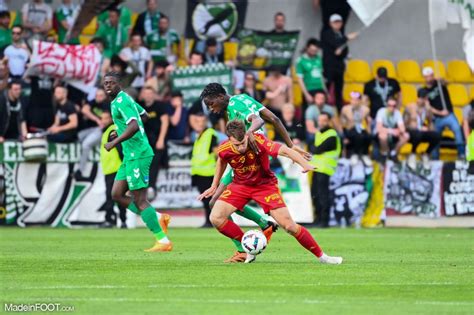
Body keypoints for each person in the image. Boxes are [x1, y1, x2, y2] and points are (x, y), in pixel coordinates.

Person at [198, 119, 343, 264]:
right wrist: (214, 185)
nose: (241, 147)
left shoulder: (258, 140)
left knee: (290, 226)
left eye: (243, 143)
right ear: (229, 140)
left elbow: (285, 150)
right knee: (215, 217)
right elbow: (221, 161)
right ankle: (248, 248)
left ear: (246, 136)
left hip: (265, 186)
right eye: (237, 145)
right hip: (240, 186)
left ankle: (323, 257)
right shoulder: (224, 148)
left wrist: (304, 164)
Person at [200, 82, 310, 263]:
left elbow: (258, 121)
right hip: (250, 156)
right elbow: (274, 118)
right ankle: (263, 224)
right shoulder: (242, 98)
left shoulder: (236, 105)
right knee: (217, 203)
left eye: (211, 104)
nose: (211, 109)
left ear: (220, 97)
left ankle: (246, 244)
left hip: (249, 157)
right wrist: (291, 145)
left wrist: (250, 132)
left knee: (216, 205)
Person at [103, 71, 172, 252]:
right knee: (117, 194)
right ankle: (157, 217)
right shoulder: (123, 99)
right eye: (105, 83)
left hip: (138, 154)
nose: (108, 85)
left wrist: (114, 142)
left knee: (140, 200)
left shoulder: (121, 101)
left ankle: (163, 240)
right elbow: (145, 116)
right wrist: (120, 130)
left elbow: (134, 126)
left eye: (111, 82)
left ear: (119, 84)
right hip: (130, 155)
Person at [423, 67, 465, 159]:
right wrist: (441, 113)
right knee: (435, 138)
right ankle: (435, 158)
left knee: (457, 130)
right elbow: (428, 107)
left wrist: (441, 79)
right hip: (437, 118)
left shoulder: (439, 84)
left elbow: (448, 82)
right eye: (427, 76)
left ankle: (461, 154)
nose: (429, 78)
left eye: (431, 76)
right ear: (424, 77)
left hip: (449, 115)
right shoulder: (424, 91)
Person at [320, 14, 358, 112]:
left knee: (339, 91)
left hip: (339, 67)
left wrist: (341, 51)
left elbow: (344, 50)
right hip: (329, 67)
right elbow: (335, 44)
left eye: (339, 22)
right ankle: (323, 110)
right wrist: (347, 38)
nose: (337, 24)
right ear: (330, 23)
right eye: (335, 22)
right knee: (326, 89)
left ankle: (339, 111)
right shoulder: (326, 33)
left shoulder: (340, 34)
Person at [310, 112, 341, 227]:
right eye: (320, 120)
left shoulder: (332, 134)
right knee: (315, 194)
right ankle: (317, 219)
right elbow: (313, 148)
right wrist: (314, 148)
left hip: (325, 169)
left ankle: (324, 221)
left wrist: (314, 148)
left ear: (329, 121)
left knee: (323, 195)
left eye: (324, 120)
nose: (321, 122)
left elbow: (317, 149)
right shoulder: (319, 133)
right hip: (317, 168)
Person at [99, 107, 127, 228]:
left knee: (112, 196)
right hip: (110, 169)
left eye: (106, 118)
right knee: (118, 196)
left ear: (111, 119)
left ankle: (111, 220)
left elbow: (120, 149)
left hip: (115, 169)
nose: (103, 121)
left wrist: (124, 165)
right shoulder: (107, 131)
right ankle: (122, 220)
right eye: (102, 118)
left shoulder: (112, 131)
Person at [141, 86, 169, 199]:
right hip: (144, 141)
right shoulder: (139, 106)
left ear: (153, 95)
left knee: (154, 163)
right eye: (146, 93)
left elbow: (165, 122)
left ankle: (151, 187)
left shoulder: (160, 106)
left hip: (157, 140)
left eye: (150, 93)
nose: (148, 95)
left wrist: (161, 139)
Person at [75, 88, 109, 180]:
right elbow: (84, 110)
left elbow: (105, 120)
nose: (98, 97)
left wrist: (99, 120)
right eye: (97, 95)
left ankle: (80, 171)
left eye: (101, 95)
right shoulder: (93, 101)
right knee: (76, 137)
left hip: (102, 131)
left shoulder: (107, 105)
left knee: (86, 144)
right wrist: (96, 119)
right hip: (91, 129)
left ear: (105, 96)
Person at [191, 113, 219, 227]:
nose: (199, 124)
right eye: (196, 121)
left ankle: (211, 221)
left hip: (207, 173)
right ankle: (209, 221)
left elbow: (217, 152)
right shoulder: (199, 135)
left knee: (209, 200)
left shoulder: (210, 133)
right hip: (199, 172)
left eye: (201, 121)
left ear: (206, 121)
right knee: (206, 200)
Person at [403, 88, 441, 168]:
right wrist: (415, 127)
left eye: (425, 99)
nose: (423, 101)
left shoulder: (427, 108)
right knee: (418, 134)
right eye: (422, 99)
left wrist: (429, 110)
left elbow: (430, 122)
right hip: (411, 131)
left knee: (437, 136)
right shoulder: (410, 107)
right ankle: (412, 154)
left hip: (422, 131)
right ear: (418, 98)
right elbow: (404, 123)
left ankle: (426, 154)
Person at [340, 91, 372, 165]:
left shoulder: (366, 110)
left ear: (360, 101)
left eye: (356, 100)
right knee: (357, 136)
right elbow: (342, 123)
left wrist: (369, 132)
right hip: (349, 129)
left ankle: (365, 154)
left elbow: (368, 122)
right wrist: (344, 136)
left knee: (367, 137)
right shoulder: (345, 109)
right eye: (352, 99)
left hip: (360, 128)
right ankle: (355, 154)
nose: (354, 102)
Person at [375, 97, 409, 162]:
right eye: (389, 105)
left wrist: (398, 131)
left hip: (393, 134)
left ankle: (393, 153)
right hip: (382, 134)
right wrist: (392, 131)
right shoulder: (381, 111)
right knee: (383, 135)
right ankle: (384, 153)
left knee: (406, 136)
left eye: (394, 106)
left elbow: (402, 128)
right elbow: (379, 128)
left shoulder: (397, 113)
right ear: (386, 105)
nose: (391, 108)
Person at [296, 38, 325, 113]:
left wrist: (325, 90)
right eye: (312, 50)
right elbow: (300, 79)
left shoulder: (318, 58)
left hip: (319, 89)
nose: (313, 52)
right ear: (307, 48)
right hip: (309, 89)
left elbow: (321, 75)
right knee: (307, 112)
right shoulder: (300, 61)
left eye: (315, 51)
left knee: (321, 113)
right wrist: (306, 94)